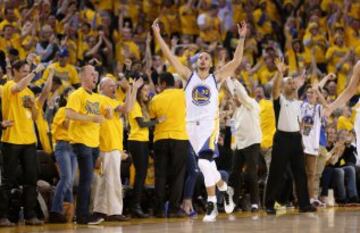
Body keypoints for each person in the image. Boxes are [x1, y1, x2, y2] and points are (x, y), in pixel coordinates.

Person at [152, 18, 248, 222]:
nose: (203, 60)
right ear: (196, 63)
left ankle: (212, 205)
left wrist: (241, 38)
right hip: (190, 128)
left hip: (208, 125)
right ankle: (225, 188)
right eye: (201, 58)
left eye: (206, 58)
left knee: (204, 163)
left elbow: (236, 61)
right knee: (209, 167)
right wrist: (158, 36)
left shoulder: (216, 77)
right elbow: (169, 56)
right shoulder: (188, 76)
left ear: (211, 63)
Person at [264, 58, 316, 214]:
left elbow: (299, 122)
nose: (292, 85)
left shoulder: (297, 103)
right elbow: (275, 89)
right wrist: (280, 73)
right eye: (289, 83)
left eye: (293, 83)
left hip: (295, 139)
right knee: (276, 172)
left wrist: (300, 78)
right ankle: (269, 204)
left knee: (300, 173)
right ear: (283, 86)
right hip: (282, 139)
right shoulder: (279, 100)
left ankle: (304, 204)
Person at [0, 61, 45, 226]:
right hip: (11, 139)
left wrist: (33, 105)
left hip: (29, 140)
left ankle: (30, 214)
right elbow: (17, 88)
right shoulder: (9, 86)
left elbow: (33, 117)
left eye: (28, 71)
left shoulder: (29, 92)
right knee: (8, 179)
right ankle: (2, 216)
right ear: (15, 71)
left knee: (31, 178)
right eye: (24, 71)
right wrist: (34, 72)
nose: (27, 74)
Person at [92, 77, 142, 221]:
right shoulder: (101, 100)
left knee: (104, 180)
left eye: (115, 86)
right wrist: (131, 90)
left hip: (111, 148)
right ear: (101, 87)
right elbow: (127, 108)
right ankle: (111, 211)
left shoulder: (111, 101)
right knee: (108, 180)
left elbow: (128, 108)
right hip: (104, 148)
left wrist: (132, 90)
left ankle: (102, 210)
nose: (114, 88)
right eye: (110, 86)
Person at [65, 65, 106, 225]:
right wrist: (91, 119)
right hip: (81, 142)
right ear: (82, 77)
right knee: (86, 179)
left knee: (89, 180)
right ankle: (82, 216)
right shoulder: (77, 94)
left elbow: (104, 115)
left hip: (94, 143)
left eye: (95, 74)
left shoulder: (97, 97)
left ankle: (85, 213)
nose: (94, 77)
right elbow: (69, 114)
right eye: (91, 74)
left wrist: (107, 113)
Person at [149, 72, 189, 217]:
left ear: (164, 84)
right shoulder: (184, 95)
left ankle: (159, 210)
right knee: (178, 176)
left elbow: (152, 119)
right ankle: (173, 209)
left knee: (160, 176)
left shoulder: (155, 99)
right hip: (180, 138)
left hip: (160, 139)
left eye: (159, 84)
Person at [127, 80, 163, 218]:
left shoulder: (144, 106)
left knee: (141, 174)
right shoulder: (135, 105)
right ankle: (135, 206)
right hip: (136, 141)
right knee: (140, 174)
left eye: (148, 90)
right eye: (144, 90)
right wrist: (157, 121)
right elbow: (142, 124)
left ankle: (137, 205)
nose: (147, 93)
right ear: (138, 91)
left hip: (142, 141)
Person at [226, 78, 262, 212]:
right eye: (234, 97)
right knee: (234, 174)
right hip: (239, 146)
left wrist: (233, 80)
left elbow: (241, 94)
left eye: (236, 96)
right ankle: (233, 202)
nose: (234, 98)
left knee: (250, 174)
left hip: (252, 143)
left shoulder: (251, 104)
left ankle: (255, 203)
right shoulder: (236, 112)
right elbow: (234, 130)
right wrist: (233, 144)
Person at [49, 87, 76, 223]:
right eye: (71, 94)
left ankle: (68, 212)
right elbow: (66, 125)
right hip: (63, 146)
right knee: (65, 178)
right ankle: (55, 209)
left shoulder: (77, 113)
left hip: (74, 147)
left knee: (70, 182)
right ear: (65, 97)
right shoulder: (62, 111)